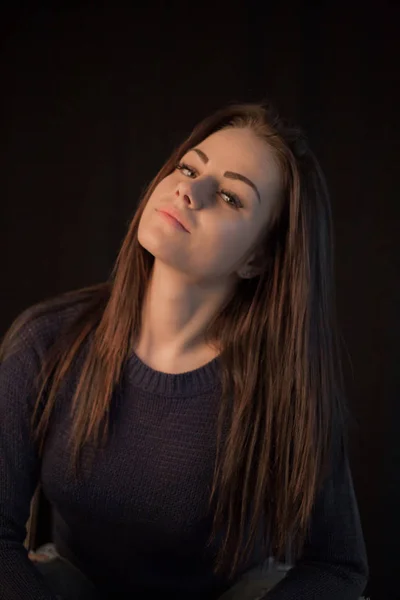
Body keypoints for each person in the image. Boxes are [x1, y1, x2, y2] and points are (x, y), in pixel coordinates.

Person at [0, 101, 369, 600]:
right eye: (189, 167)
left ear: (257, 258)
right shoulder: (45, 343)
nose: (188, 190)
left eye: (231, 197)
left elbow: (338, 566)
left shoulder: (288, 388)